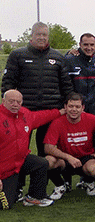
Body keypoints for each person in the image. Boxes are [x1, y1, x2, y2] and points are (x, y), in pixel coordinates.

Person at [2, 21, 74, 157]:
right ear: (32, 36)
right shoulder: (17, 55)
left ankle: (42, 177)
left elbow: (66, 84)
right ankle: (18, 177)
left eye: (44, 35)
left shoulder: (57, 57)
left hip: (50, 109)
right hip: (24, 110)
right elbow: (8, 82)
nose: (42, 37)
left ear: (48, 37)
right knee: (18, 149)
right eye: (38, 34)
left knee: (45, 150)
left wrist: (68, 103)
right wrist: (9, 105)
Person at [0, 90, 63, 208]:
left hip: (20, 161)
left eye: (18, 102)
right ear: (3, 101)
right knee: (5, 204)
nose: (15, 104)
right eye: (11, 101)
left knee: (41, 163)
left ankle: (34, 197)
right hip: (4, 167)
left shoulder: (25, 114)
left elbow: (41, 116)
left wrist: (60, 112)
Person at [43, 93, 95, 199]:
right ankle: (60, 185)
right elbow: (48, 147)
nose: (74, 110)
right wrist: (68, 157)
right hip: (65, 159)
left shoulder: (91, 119)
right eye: (71, 106)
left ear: (83, 108)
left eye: (77, 107)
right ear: (65, 107)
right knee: (48, 161)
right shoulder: (57, 122)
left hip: (86, 158)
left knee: (94, 170)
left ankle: (88, 182)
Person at [65, 33, 95, 118]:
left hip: (94, 108)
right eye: (85, 44)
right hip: (76, 108)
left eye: (92, 45)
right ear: (80, 45)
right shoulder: (70, 60)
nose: (89, 48)